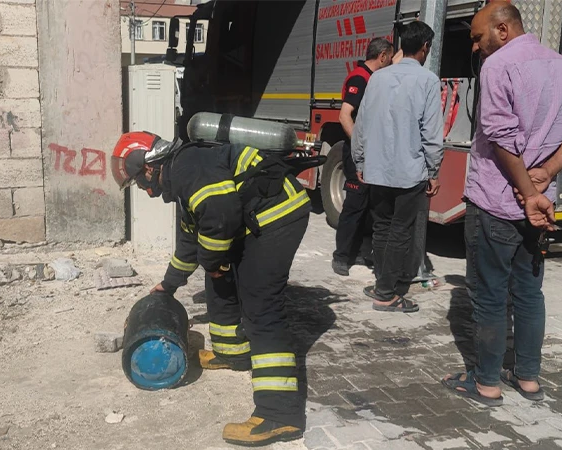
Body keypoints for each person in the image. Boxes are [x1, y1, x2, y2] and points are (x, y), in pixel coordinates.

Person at [111, 131, 311, 446]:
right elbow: (191, 239)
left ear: (148, 167)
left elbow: (220, 216)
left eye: (138, 181)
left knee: (261, 305)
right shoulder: (181, 177)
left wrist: (213, 261)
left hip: (278, 214)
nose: (144, 189)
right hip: (254, 216)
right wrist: (168, 286)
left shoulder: (186, 169)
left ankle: (280, 414)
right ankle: (232, 354)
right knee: (218, 275)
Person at [442, 1, 562, 406]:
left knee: (489, 296)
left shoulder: (499, 65)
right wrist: (545, 174)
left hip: (498, 202)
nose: (474, 46)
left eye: (476, 36)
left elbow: (502, 138)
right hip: (539, 207)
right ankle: (528, 378)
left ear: (503, 29)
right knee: (529, 294)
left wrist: (527, 191)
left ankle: (486, 383)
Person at [351, 21, 444, 313]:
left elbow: (361, 124)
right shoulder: (428, 81)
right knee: (400, 231)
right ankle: (386, 293)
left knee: (382, 227)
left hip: (377, 170)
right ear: (426, 47)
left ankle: (382, 283)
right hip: (409, 171)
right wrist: (433, 170)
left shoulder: (377, 78)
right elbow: (431, 133)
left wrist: (360, 160)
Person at [332, 38, 394, 277]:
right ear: (382, 57)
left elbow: (400, 58)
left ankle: (356, 250)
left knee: (369, 204)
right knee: (355, 204)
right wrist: (361, 147)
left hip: (370, 152)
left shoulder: (373, 76)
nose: (390, 63)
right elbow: (344, 116)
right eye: (389, 58)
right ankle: (341, 256)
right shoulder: (360, 78)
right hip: (358, 153)